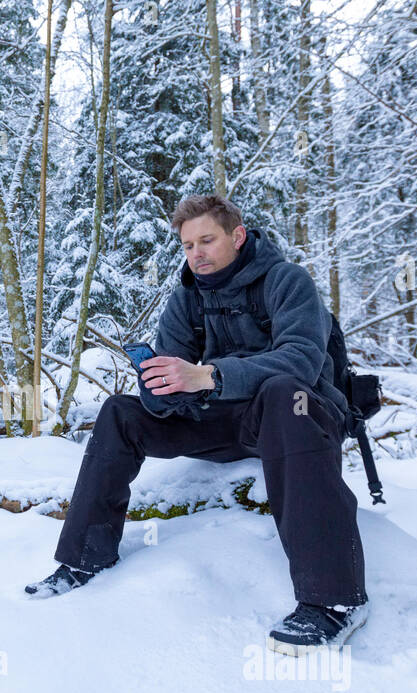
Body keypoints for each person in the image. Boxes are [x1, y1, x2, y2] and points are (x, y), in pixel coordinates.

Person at [24, 194, 370, 656]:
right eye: (188, 245)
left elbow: (303, 361)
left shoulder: (288, 281)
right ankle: (83, 560)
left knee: (283, 393)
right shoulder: (187, 296)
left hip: (301, 416)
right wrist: (162, 388)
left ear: (238, 236)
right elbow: (168, 373)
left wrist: (209, 375)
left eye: (206, 240)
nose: (196, 254)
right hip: (228, 419)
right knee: (119, 412)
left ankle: (335, 602)